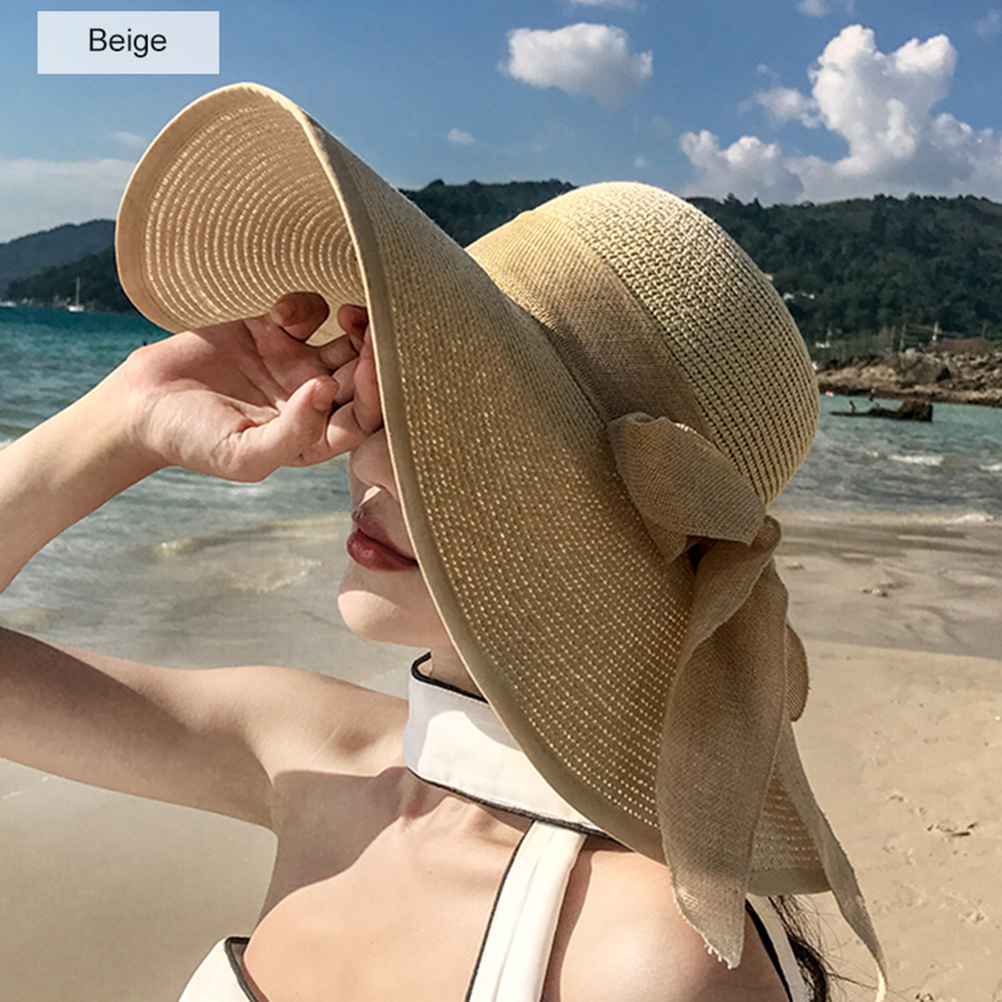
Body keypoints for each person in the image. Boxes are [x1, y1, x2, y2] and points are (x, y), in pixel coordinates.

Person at [0, 84, 885, 1001]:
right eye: (385, 391)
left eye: (458, 425)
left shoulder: (648, 956)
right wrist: (128, 416)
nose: (365, 451)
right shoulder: (313, 749)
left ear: (610, 534)